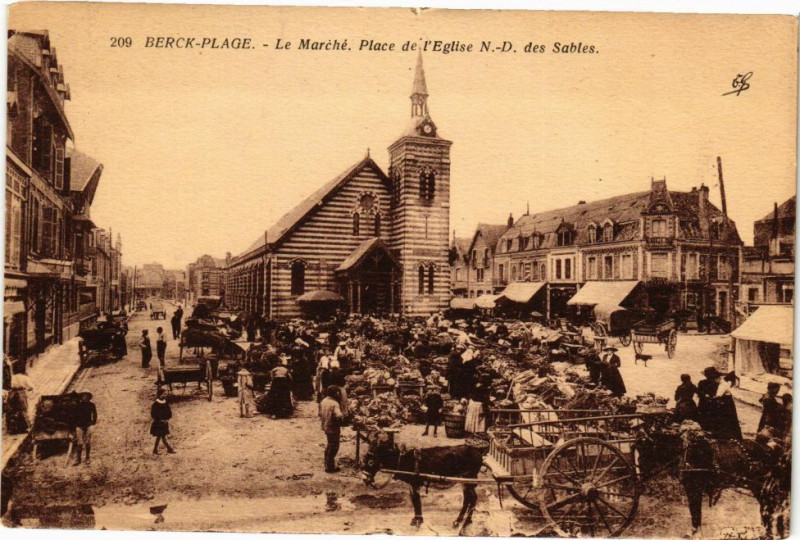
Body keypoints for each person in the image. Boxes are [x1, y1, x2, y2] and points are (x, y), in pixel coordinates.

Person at [319, 385, 344, 473]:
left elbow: (320, 413)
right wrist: (343, 418)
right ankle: (330, 467)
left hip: (325, 425)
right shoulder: (335, 403)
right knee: (334, 446)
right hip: (333, 426)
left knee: (329, 444)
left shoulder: (323, 401)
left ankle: (327, 463)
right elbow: (339, 415)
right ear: (335, 394)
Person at [5, 365, 34, 434]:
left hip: (12, 394)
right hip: (21, 393)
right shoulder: (24, 377)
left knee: (12, 410)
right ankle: (24, 427)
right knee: (23, 410)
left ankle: (12, 428)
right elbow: (31, 387)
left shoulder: (12, 377)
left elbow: (8, 385)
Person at [71, 392, 97, 466]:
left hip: (88, 425)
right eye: (83, 396)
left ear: (89, 397)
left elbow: (95, 414)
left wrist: (93, 423)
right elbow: (74, 415)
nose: (85, 397)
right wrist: (76, 424)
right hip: (80, 425)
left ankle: (87, 458)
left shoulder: (92, 405)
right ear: (81, 397)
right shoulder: (78, 405)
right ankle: (78, 459)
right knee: (79, 443)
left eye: (86, 396)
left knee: (87, 442)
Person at [150, 390, 175, 454]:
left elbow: (169, 412)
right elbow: (153, 414)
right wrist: (159, 419)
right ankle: (169, 449)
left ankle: (156, 450)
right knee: (161, 436)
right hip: (158, 423)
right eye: (163, 394)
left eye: (165, 394)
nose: (165, 395)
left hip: (164, 423)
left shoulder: (165, 403)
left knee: (160, 436)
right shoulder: (155, 404)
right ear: (160, 395)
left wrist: (167, 419)